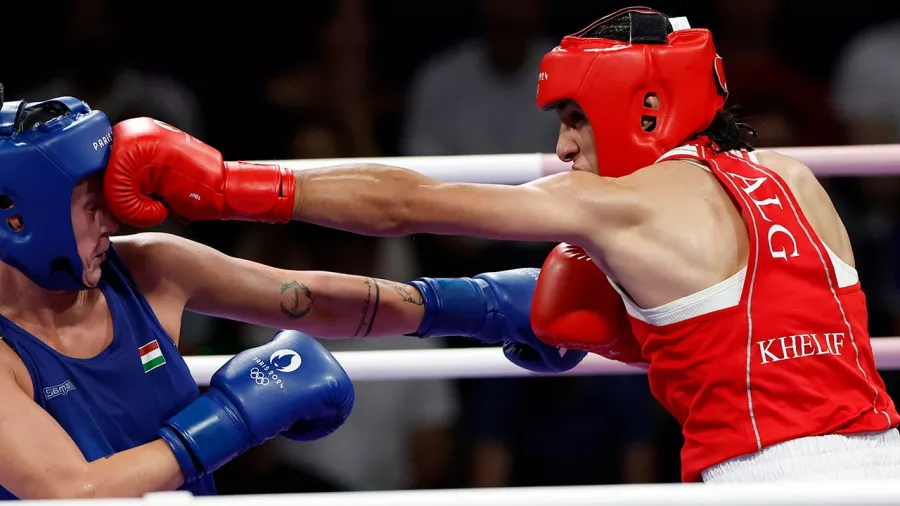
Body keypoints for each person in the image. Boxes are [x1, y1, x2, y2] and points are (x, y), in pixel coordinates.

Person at [103, 7, 900, 483]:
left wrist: (226, 184)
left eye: (574, 118)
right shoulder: (798, 181)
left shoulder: (616, 206)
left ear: (646, 110)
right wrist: (635, 332)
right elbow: (769, 340)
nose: (561, 149)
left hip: (764, 480)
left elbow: (403, 202)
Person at [0, 89, 575, 500]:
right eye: (90, 204)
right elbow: (72, 491)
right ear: (23, 219)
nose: (113, 222)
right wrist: (234, 416)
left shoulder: (150, 268)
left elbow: (310, 298)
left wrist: (481, 306)